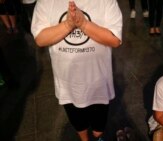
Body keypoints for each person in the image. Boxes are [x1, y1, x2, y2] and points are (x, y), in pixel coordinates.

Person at [31, 0, 123, 141]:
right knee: (78, 121)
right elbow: (40, 39)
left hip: (98, 81)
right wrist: (68, 24)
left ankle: (98, 138)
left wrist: (84, 24)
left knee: (99, 125)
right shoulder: (45, 2)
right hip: (67, 81)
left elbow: (115, 40)